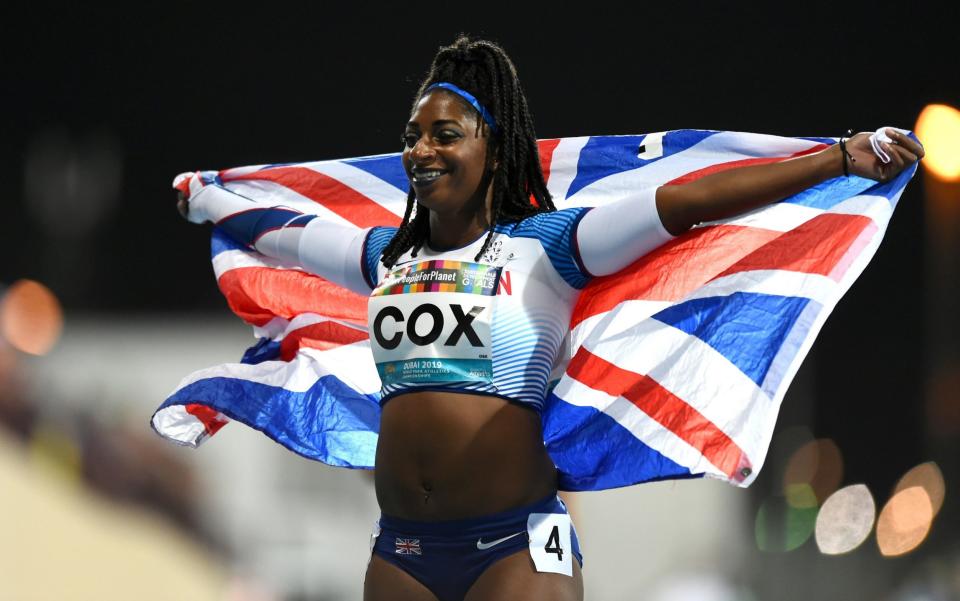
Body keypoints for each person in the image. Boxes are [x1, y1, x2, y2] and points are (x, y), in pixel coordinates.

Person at [173, 36, 923, 601]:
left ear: (492, 148)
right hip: (401, 548)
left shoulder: (551, 247)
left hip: (517, 545)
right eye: (412, 135)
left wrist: (842, 160)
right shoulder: (385, 258)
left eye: (443, 134)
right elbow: (283, 234)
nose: (420, 150)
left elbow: (689, 202)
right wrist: (207, 198)